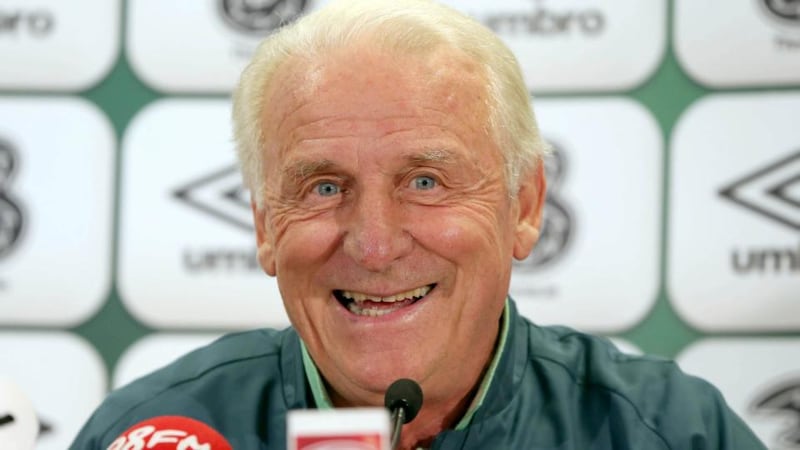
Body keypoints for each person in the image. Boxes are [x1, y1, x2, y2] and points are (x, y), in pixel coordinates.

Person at [71, 1, 766, 449]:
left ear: (525, 206)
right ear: (263, 225)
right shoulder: (152, 431)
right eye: (324, 187)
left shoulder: (672, 431)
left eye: (426, 182)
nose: (375, 245)